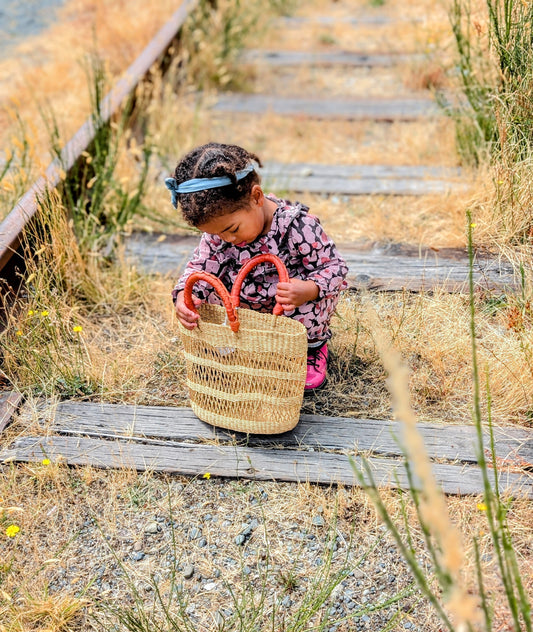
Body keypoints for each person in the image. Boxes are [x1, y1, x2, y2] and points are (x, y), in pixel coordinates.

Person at [166, 142, 348, 390]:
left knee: (308, 303)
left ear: (257, 197)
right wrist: (183, 297)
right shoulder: (219, 234)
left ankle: (311, 349)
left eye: (232, 230)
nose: (228, 239)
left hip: (288, 305)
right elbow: (198, 266)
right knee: (206, 285)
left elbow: (336, 267)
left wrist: (308, 289)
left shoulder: (297, 227)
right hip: (246, 306)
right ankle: (234, 343)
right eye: (218, 235)